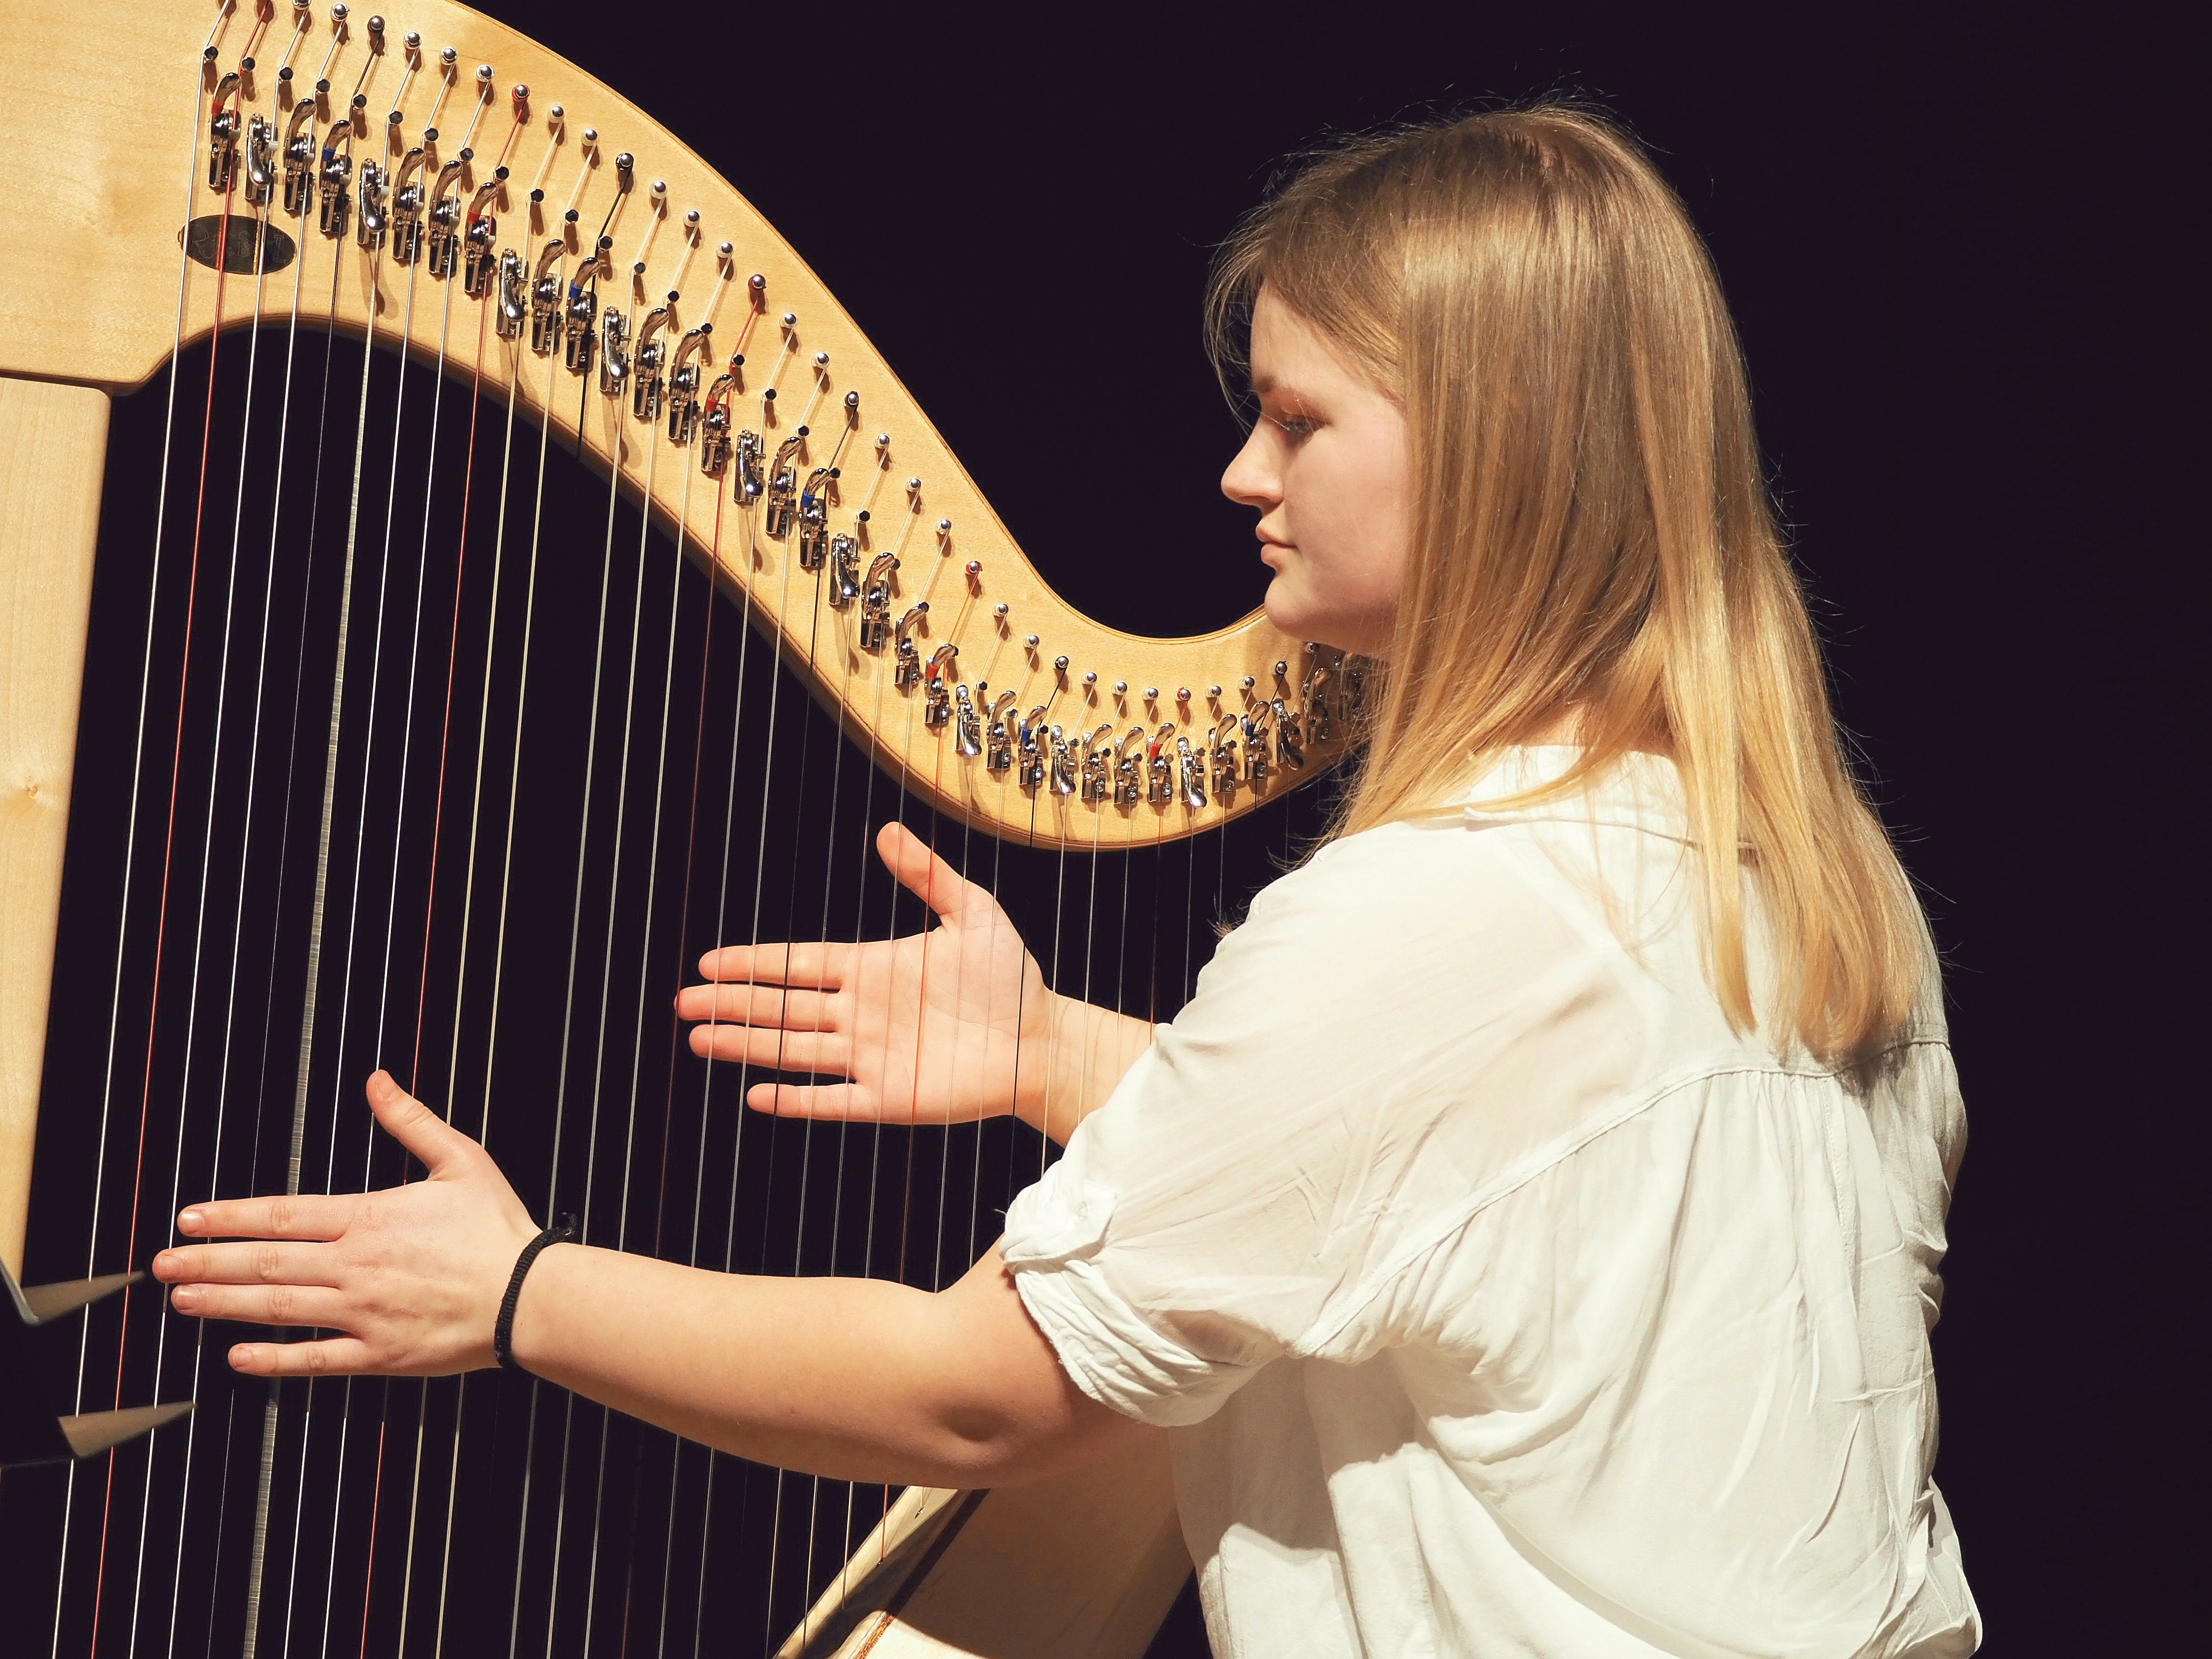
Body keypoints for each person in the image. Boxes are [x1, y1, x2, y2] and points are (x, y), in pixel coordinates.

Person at [152, 108, 1980, 1656]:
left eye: (1301, 418)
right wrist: (1055, 1053)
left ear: (1490, 441)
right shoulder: (1814, 885)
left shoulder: (1441, 911)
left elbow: (977, 1392)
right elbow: (1505, 1196)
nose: (1240, 470)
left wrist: (520, 1290)